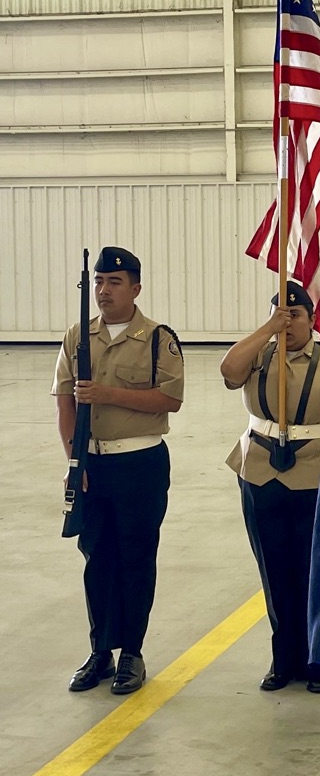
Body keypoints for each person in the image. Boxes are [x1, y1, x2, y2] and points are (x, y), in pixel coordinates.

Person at [52, 246, 184, 695]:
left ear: (135, 288)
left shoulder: (157, 338)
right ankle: (100, 652)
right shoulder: (77, 337)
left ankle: (132, 652)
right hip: (92, 464)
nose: (104, 291)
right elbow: (65, 402)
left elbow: (170, 399)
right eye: (99, 282)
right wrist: (74, 460)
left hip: (139, 462)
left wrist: (107, 393)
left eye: (114, 282)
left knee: (135, 556)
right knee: (97, 559)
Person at [221, 281, 320, 695]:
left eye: (296, 316)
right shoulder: (261, 355)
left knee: (312, 571)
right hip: (260, 472)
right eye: (280, 315)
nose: (288, 324)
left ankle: (316, 661)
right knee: (274, 571)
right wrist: (267, 329)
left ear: (312, 319)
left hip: (314, 474)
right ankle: (282, 659)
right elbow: (229, 371)